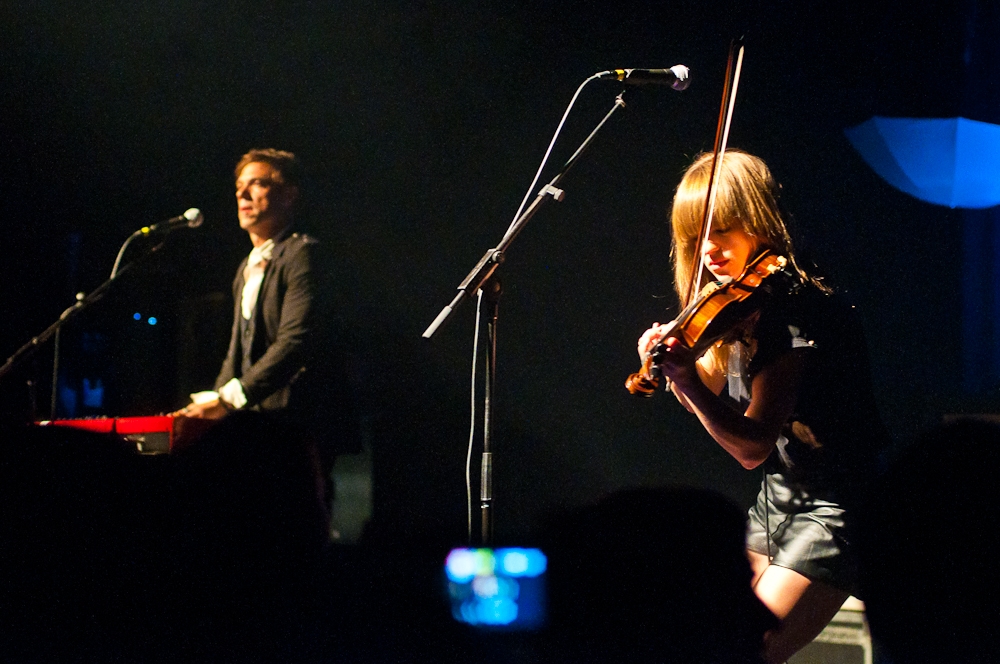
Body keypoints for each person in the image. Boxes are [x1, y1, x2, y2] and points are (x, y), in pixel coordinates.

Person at [636, 149, 886, 663]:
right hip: (779, 497)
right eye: (696, 236)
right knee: (706, 637)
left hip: (836, 505)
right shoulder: (743, 305)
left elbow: (750, 444)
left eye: (722, 230)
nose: (708, 249)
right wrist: (681, 375)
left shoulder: (795, 310)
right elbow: (717, 408)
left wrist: (687, 381)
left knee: (747, 650)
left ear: (758, 222)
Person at [178, 148, 360, 512]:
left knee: (296, 518)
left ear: (288, 194)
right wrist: (212, 408)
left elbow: (296, 341)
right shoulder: (247, 266)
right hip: (262, 424)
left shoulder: (302, 255)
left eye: (257, 184)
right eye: (239, 187)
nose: (243, 195)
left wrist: (229, 400)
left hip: (300, 423)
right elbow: (238, 349)